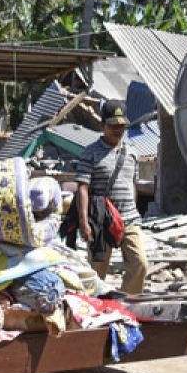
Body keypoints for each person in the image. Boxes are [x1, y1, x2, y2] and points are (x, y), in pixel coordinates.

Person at [74, 99, 148, 293]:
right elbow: (82, 188)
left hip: (129, 220)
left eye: (122, 126)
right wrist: (84, 223)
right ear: (102, 125)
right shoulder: (90, 153)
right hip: (100, 221)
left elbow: (132, 184)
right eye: (113, 125)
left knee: (140, 264)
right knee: (96, 274)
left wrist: (134, 208)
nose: (118, 130)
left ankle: (127, 301)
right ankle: (94, 308)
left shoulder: (132, 153)